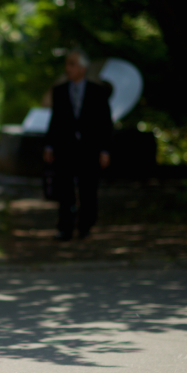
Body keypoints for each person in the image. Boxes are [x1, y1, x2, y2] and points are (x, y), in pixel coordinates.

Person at [43, 48, 112, 240]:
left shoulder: (97, 91)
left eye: (72, 64)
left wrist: (105, 149)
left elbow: (105, 122)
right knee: (64, 189)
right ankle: (65, 227)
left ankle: (86, 226)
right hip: (65, 148)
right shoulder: (59, 91)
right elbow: (55, 120)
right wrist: (49, 145)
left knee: (88, 188)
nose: (68, 68)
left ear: (83, 68)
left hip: (89, 148)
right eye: (67, 64)